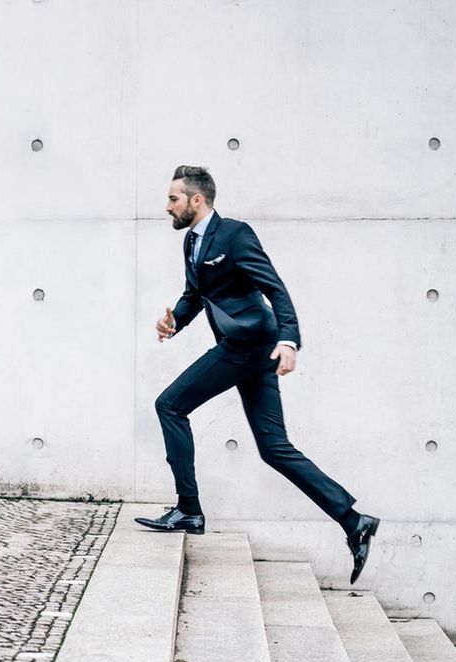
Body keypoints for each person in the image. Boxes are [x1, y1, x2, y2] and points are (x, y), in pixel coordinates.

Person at [135, 165, 380, 583]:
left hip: (250, 346)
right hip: (249, 348)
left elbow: (275, 287)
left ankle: (188, 510)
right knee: (273, 447)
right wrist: (174, 320)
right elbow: (196, 294)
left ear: (197, 200)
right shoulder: (192, 241)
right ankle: (353, 520)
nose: (166, 206)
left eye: (173, 199)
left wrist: (289, 339)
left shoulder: (235, 233)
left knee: (170, 405)